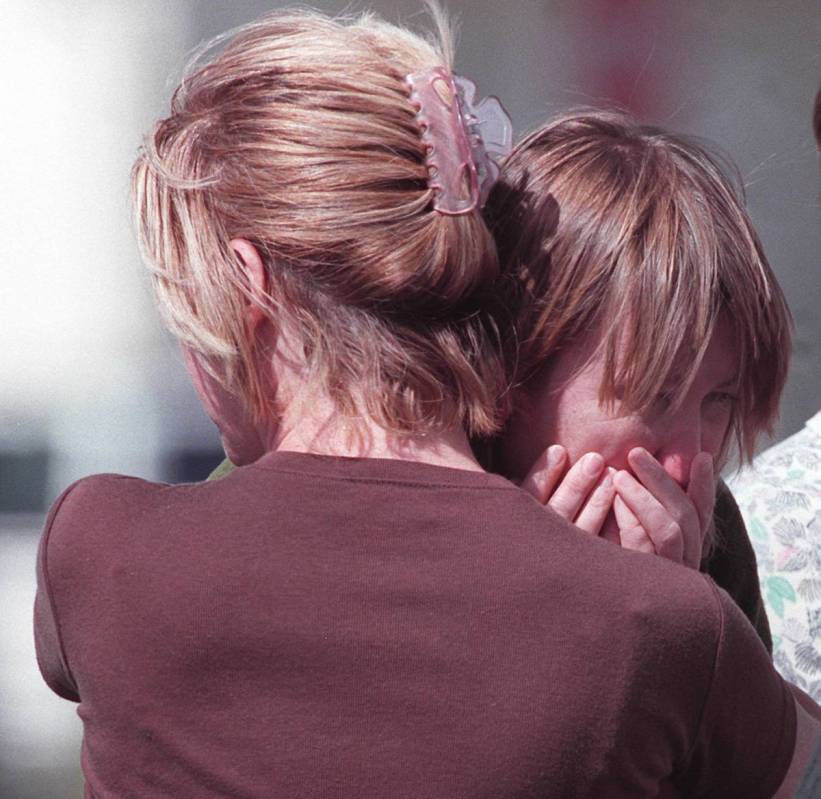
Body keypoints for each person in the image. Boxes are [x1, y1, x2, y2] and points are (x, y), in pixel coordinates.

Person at [34, 9, 817, 798]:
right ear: (516, 365)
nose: (687, 461)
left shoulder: (99, 548)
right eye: (647, 394)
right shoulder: (664, 628)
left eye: (715, 403)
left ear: (248, 287)